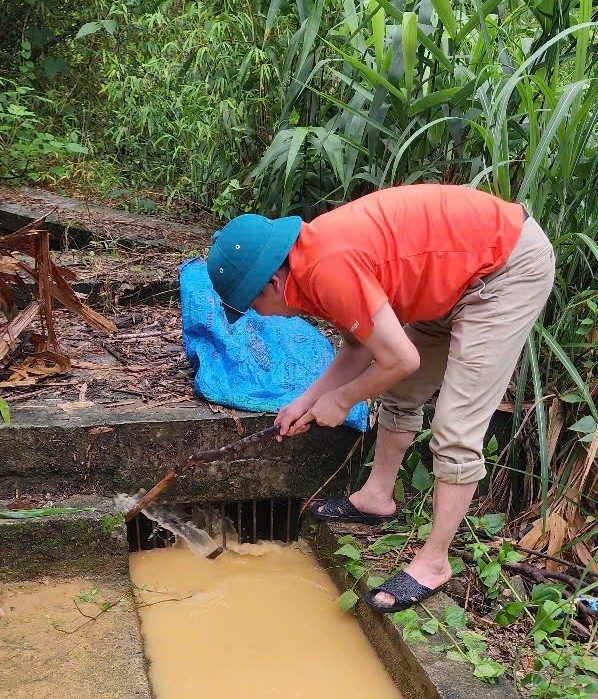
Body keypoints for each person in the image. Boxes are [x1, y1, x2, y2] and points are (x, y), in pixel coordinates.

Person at [206, 184, 555, 613]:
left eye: (252, 305)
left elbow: (401, 359)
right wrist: (307, 400)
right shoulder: (307, 266)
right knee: (401, 393)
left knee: (456, 427)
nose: (257, 315)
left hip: (503, 268)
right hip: (451, 277)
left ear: (273, 283)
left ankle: (434, 562)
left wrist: (342, 401)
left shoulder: (326, 269)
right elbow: (358, 349)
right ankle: (376, 497)